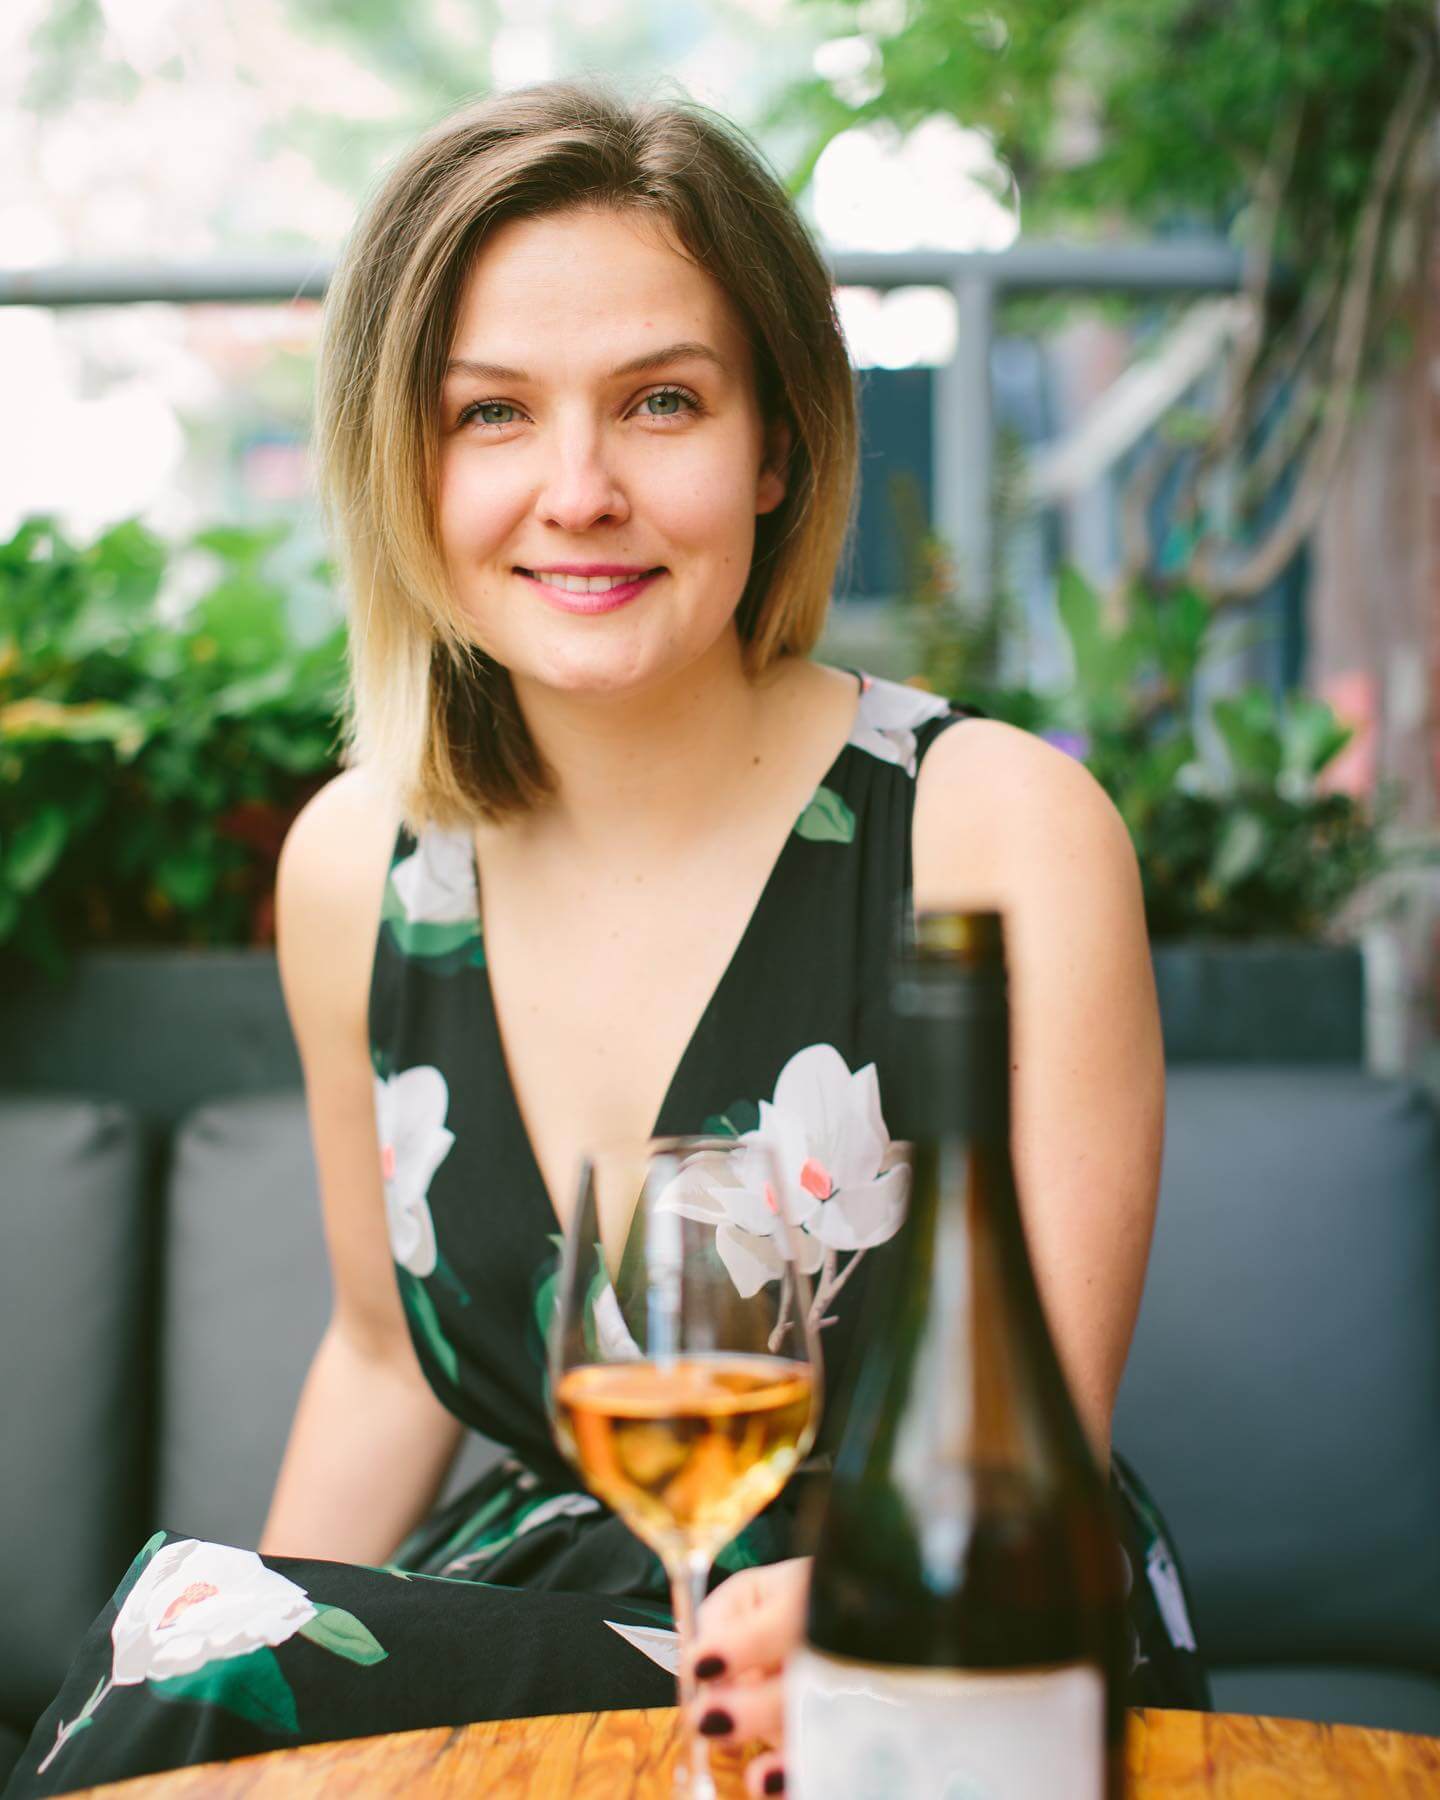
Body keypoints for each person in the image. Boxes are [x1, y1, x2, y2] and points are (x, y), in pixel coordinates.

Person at [5, 78, 1206, 1800]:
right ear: (402, 463)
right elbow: (377, 1350)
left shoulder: (1000, 831)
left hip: (935, 1638)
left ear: (778, 441)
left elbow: (1032, 1457)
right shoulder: (357, 865)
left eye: (661, 401)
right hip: (551, 1607)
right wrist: (237, 1684)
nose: (579, 490)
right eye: (490, 413)